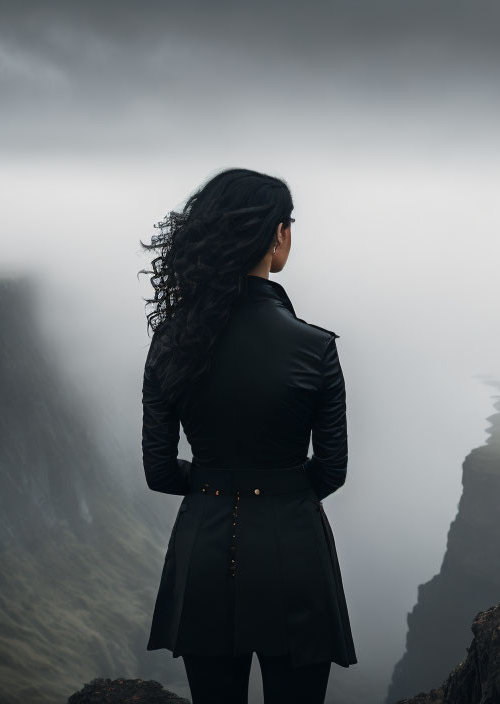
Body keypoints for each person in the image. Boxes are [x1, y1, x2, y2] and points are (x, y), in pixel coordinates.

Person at [138, 168, 357, 704]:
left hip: (203, 550)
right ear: (277, 235)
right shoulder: (315, 349)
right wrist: (279, 487)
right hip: (296, 552)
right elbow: (330, 472)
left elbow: (161, 473)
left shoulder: (171, 343)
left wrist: (216, 481)